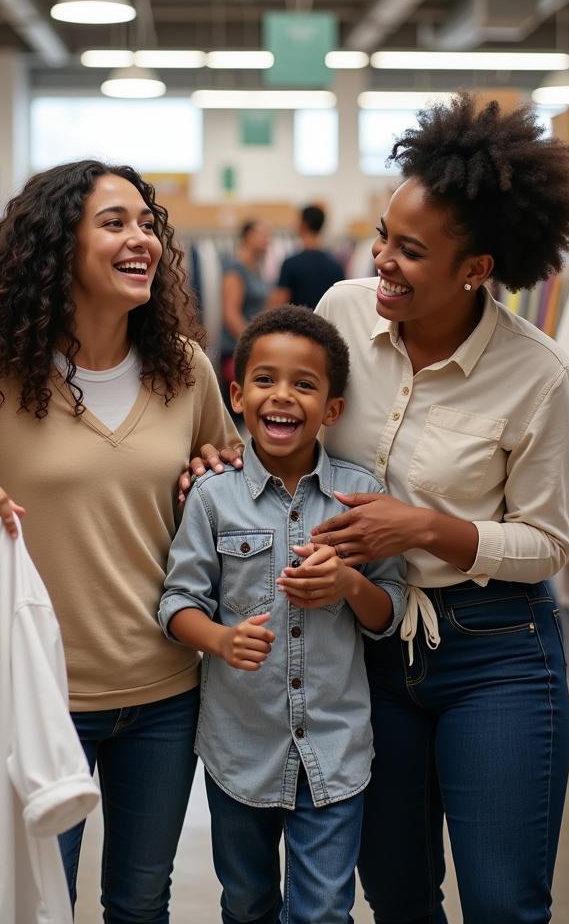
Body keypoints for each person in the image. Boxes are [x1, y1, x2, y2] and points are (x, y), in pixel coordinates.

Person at [183, 94, 569, 923]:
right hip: (365, 653)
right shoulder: (339, 309)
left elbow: (549, 541)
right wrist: (227, 457)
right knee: (398, 895)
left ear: (476, 268)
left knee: (504, 901)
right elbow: (285, 419)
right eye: (381, 238)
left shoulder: (537, 373)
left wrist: (428, 527)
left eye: (410, 251)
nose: (382, 264)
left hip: (495, 650)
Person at [0, 159, 242, 919]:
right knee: (36, 902)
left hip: (165, 694)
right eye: (114, 223)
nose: (142, 239)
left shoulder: (185, 372)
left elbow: (234, 492)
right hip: (31, 696)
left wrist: (215, 479)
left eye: (146, 223)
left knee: (141, 901)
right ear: (56, 247)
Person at [160, 306, 406, 924]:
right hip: (239, 749)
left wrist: (349, 582)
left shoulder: (359, 494)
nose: (284, 396)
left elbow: (389, 612)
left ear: (333, 409)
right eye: (266, 380)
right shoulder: (213, 498)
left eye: (305, 384)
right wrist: (220, 639)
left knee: (323, 910)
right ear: (237, 395)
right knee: (246, 905)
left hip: (334, 747)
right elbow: (178, 603)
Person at [220, 219, 272, 412]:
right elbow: (231, 314)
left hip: (251, 347)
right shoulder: (235, 269)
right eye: (263, 235)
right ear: (248, 237)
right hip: (237, 349)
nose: (268, 240)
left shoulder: (256, 268)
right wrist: (252, 344)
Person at [269, 204, 343, 311]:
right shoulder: (335, 265)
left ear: (303, 225)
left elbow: (279, 304)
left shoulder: (291, 264)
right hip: (325, 325)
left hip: (297, 325)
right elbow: (339, 303)